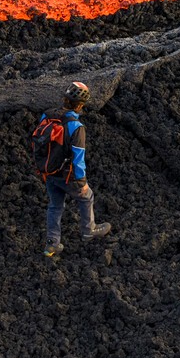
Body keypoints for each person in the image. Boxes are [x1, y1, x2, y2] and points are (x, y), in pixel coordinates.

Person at [41, 81, 111, 258]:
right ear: (80, 105)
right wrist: (82, 182)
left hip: (49, 172)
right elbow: (78, 159)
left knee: (55, 206)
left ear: (64, 99)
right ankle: (89, 231)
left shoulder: (47, 116)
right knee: (87, 197)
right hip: (67, 176)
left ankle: (51, 245)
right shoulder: (76, 127)